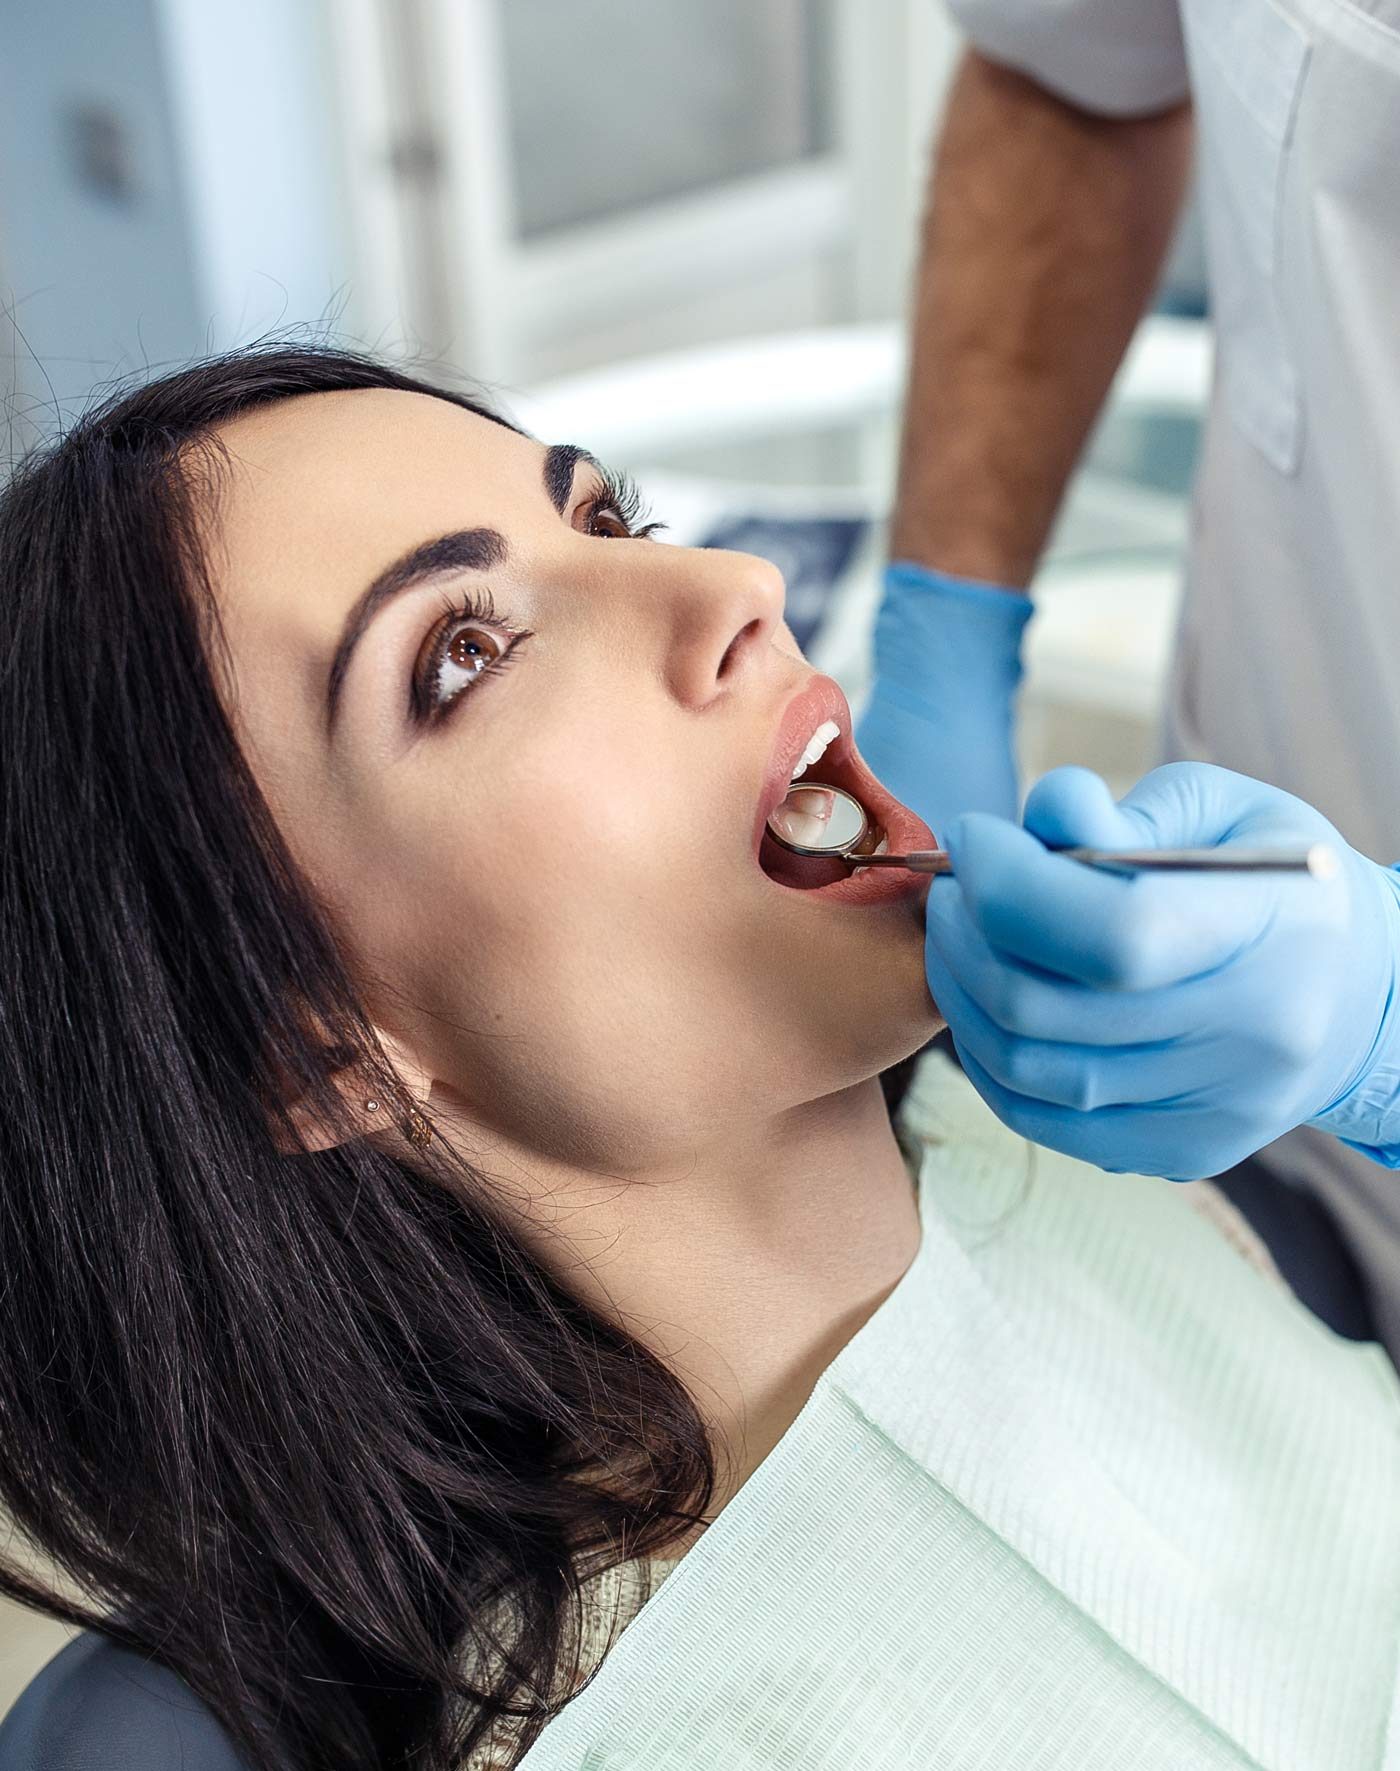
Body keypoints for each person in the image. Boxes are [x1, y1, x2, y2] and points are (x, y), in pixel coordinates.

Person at [3, 346, 1400, 1771]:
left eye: (610, 520)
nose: (738, 588)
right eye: (464, 653)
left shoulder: (1150, 1185)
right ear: (323, 1058)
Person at [854, 0, 1400, 1354]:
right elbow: (1073, 74)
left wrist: (1382, 1024)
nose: (743, 595)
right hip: (1270, 1211)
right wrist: (947, 625)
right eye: (463, 658)